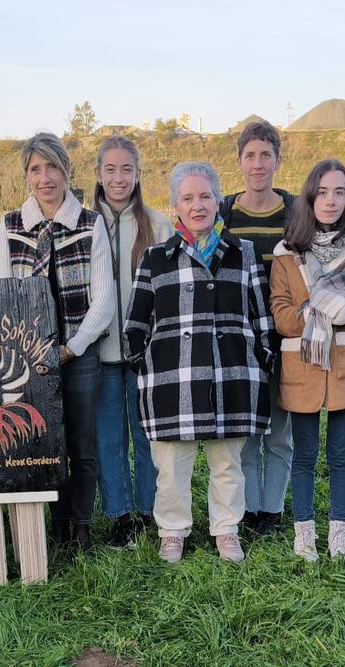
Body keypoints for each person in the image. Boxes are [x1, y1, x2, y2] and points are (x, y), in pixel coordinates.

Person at [125, 162, 275, 564]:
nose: (197, 205)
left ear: (217, 200)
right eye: (188, 198)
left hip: (232, 374)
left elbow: (261, 316)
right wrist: (145, 363)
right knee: (171, 466)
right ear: (175, 203)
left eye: (205, 196)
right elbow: (136, 322)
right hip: (174, 378)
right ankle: (172, 531)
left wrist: (262, 359)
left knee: (228, 462)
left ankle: (226, 529)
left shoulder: (242, 253)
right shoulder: (156, 258)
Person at [0, 132, 114, 550]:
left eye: (52, 168)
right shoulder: (10, 227)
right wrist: (24, 350)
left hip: (77, 352)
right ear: (26, 175)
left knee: (81, 442)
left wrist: (72, 347)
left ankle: (79, 523)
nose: (44, 178)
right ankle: (51, 525)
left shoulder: (89, 223)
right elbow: (2, 293)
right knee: (41, 442)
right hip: (28, 357)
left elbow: (105, 300)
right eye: (35, 169)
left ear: (67, 171)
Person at [270, 160, 345, 561]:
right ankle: (304, 532)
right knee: (303, 454)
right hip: (302, 364)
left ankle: (339, 531)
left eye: (339, 192)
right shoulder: (287, 251)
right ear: (309, 196)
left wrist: (341, 309)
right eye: (322, 192)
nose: (331, 200)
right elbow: (280, 313)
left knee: (340, 453)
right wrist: (311, 311)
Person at [90, 136, 171, 548]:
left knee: (147, 436)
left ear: (139, 174)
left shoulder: (158, 225)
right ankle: (120, 515)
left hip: (146, 355)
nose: (119, 178)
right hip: (100, 353)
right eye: (111, 169)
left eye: (127, 169)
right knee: (109, 437)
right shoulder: (85, 225)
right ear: (98, 175)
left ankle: (150, 511)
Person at [220, 120, 296, 535]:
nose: (258, 163)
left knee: (281, 431)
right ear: (239, 162)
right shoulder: (225, 213)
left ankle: (273, 509)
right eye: (250, 155)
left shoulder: (296, 211)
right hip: (240, 338)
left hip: (287, 336)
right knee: (246, 431)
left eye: (265, 154)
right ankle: (248, 509)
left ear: (277, 160)